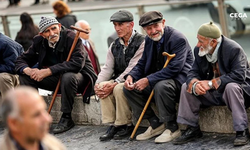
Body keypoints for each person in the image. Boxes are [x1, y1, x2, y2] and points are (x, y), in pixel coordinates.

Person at [15, 16, 97, 134]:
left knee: (68, 76)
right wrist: (28, 70)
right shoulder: (39, 41)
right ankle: (35, 115)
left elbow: (77, 64)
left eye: (54, 28)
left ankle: (67, 117)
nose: (52, 33)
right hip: (56, 78)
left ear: (59, 26)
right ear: (42, 34)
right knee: (25, 77)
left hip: (79, 77)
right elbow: (20, 60)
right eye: (47, 31)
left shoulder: (72, 38)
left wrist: (48, 71)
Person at [173, 22, 250, 146]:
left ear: (213, 42)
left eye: (201, 41)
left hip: (235, 93)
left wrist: (210, 83)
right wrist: (195, 84)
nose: (198, 44)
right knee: (186, 86)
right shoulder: (200, 50)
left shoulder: (234, 49)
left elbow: (239, 76)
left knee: (231, 87)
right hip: (213, 94)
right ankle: (192, 128)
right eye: (198, 40)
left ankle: (242, 131)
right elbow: (193, 72)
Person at [123, 11, 194, 143]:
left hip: (179, 81)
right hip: (159, 79)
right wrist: (131, 76)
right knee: (128, 88)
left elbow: (175, 69)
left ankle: (172, 127)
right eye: (149, 28)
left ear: (164, 23)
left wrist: (148, 80)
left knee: (161, 86)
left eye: (156, 26)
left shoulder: (177, 39)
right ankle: (155, 124)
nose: (153, 31)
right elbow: (142, 62)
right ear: (144, 30)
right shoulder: (149, 40)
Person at [95, 10, 145, 141]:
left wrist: (115, 83)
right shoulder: (114, 44)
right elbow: (107, 68)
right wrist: (97, 84)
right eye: (115, 25)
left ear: (131, 25)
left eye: (121, 24)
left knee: (118, 88)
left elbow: (132, 67)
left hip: (136, 79)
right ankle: (113, 124)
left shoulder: (142, 42)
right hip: (120, 79)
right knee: (102, 85)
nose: (117, 28)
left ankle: (126, 124)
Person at [0, 86, 66, 150]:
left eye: (44, 111)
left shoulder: (54, 145)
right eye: (36, 115)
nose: (48, 119)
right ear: (13, 123)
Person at [0, 32, 23, 99]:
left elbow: (13, 67)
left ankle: (10, 106)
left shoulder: (5, 43)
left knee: (2, 77)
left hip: (13, 76)